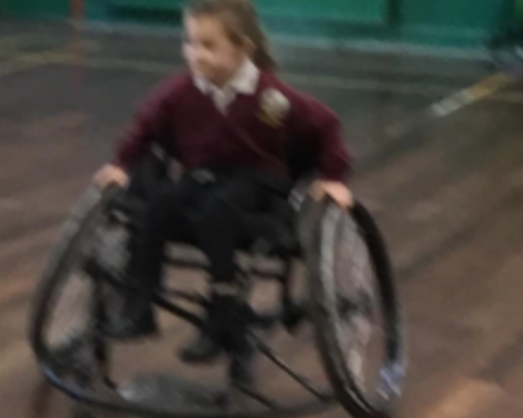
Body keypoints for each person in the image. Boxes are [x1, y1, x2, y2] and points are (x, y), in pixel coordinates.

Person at [94, 0, 354, 369]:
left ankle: (223, 310)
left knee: (219, 210)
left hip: (260, 183)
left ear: (243, 49)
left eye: (208, 45)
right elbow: (144, 125)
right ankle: (140, 304)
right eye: (190, 42)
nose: (195, 54)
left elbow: (325, 125)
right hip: (206, 177)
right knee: (160, 205)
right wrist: (121, 163)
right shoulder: (181, 91)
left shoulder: (269, 97)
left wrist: (334, 177)